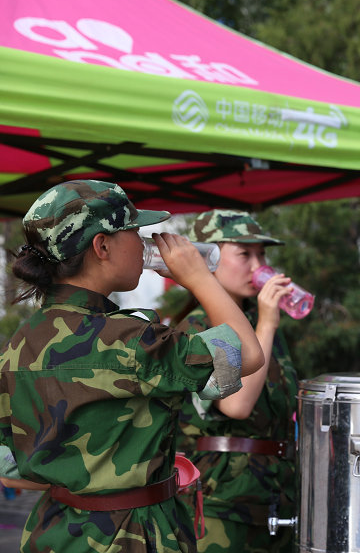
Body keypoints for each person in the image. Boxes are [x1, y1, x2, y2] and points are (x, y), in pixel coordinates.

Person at [0, 180, 264, 553]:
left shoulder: (17, 346)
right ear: (102, 246)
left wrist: (110, 465)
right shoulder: (131, 341)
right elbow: (247, 354)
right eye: (135, 232)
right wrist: (199, 278)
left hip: (53, 534)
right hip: (132, 536)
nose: (144, 244)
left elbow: (10, 471)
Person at [175, 210, 300, 553]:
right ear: (207, 259)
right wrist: (267, 325)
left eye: (262, 254)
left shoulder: (258, 322)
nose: (259, 266)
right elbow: (236, 405)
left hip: (275, 498)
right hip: (222, 506)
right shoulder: (205, 327)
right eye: (245, 254)